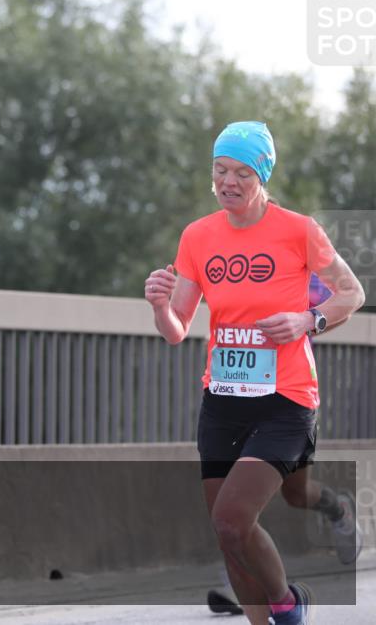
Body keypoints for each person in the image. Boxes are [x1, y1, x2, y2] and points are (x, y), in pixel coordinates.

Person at [144, 121, 366, 625]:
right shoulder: (197, 236)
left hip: (286, 400)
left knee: (234, 516)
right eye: (220, 170)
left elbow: (352, 293)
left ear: (262, 175)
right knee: (229, 535)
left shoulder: (298, 230)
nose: (228, 182)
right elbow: (178, 328)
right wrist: (159, 306)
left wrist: (307, 321)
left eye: (242, 172)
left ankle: (288, 606)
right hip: (223, 402)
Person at [207, 274, 363, 617]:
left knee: (296, 493)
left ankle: (338, 508)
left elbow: (344, 304)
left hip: (288, 399)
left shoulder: (298, 263)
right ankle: (249, 586)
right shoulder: (224, 256)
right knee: (233, 508)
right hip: (232, 401)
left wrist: (303, 326)